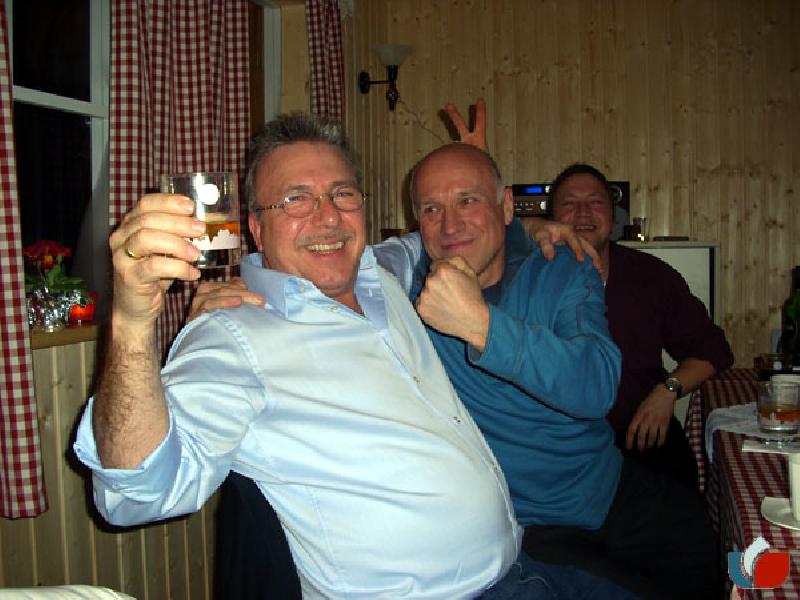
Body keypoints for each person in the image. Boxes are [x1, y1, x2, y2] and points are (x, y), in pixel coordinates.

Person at [72, 112, 635, 600]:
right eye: (295, 199)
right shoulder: (232, 336)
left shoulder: (384, 272)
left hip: (522, 568)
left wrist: (525, 223)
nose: (327, 217)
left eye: (342, 194)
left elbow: (453, 233)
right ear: (256, 228)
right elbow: (137, 491)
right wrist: (132, 321)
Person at [191, 135, 717, 598]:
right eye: (432, 209)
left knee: (707, 552)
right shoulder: (399, 289)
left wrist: (483, 324)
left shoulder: (560, 267)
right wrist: (244, 284)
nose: (451, 224)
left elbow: (596, 387)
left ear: (505, 206)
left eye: (469, 201)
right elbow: (325, 259)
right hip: (527, 527)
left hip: (603, 486)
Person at [547, 163, 735, 489]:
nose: (583, 212)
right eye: (569, 203)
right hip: (560, 448)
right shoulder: (532, 279)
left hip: (641, 436)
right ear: (551, 218)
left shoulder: (651, 276)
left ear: (613, 216)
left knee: (683, 511)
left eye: (595, 202)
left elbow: (713, 350)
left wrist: (668, 390)